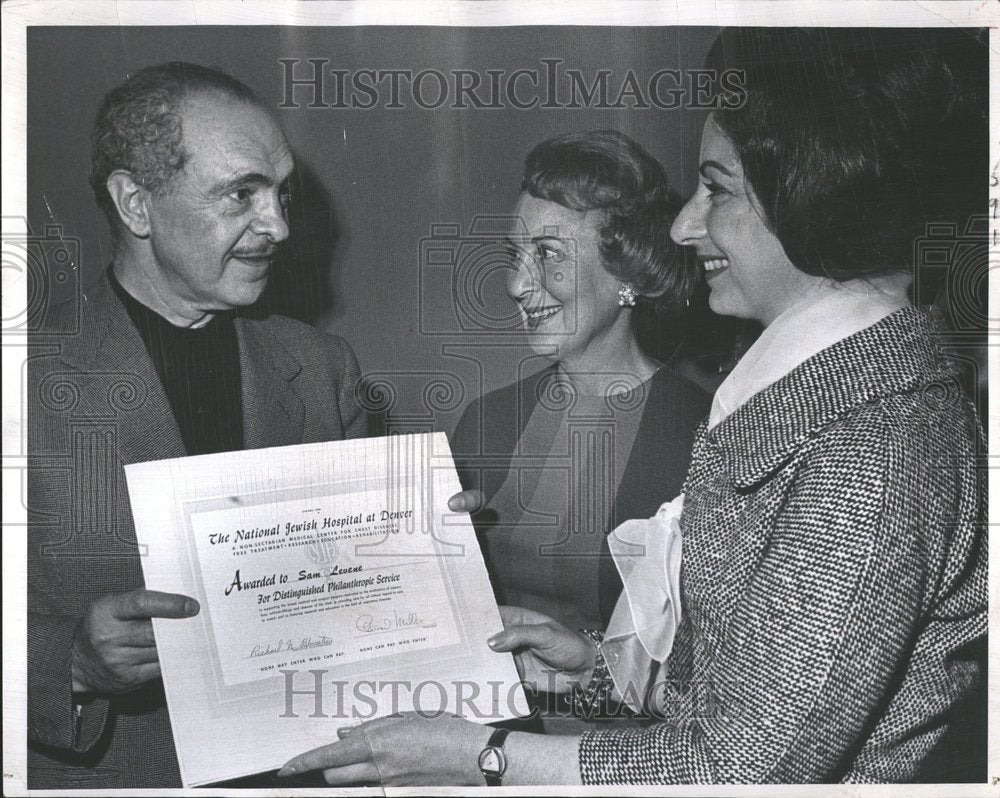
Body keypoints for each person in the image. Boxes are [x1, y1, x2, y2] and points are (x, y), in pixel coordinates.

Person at [279, 27, 987, 785]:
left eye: (715, 188)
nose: (685, 225)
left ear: (807, 195)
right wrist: (587, 667)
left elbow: (736, 773)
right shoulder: (818, 407)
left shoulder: (869, 449)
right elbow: (723, 702)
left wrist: (480, 757)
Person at [27, 62, 367, 789]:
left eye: (280, 193)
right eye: (240, 194)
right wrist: (71, 663)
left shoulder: (320, 363)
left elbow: (352, 599)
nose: (277, 225)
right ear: (136, 205)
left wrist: (428, 549)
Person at [450, 130, 710, 636]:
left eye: (548, 253)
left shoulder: (706, 434)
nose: (516, 286)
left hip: (633, 716)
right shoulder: (487, 420)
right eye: (514, 256)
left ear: (627, 266)